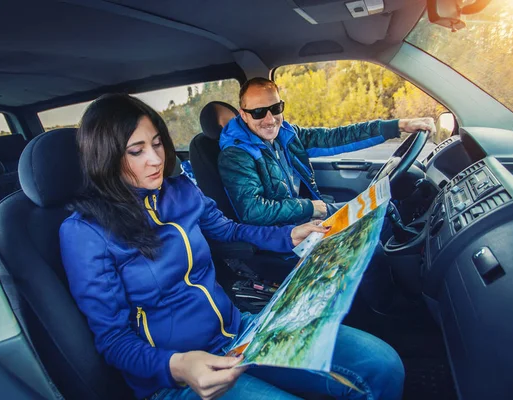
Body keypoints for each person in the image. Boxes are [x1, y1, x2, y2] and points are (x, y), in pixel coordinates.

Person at [59, 93, 405, 400]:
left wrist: (288, 235)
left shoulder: (180, 190)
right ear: (105, 157)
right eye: (136, 151)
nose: (155, 159)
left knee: (382, 364)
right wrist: (177, 366)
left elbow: (228, 229)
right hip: (174, 375)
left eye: (157, 143)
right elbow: (113, 340)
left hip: (238, 332)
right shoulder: (85, 232)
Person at [218, 77, 436, 227]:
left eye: (275, 109)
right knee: (378, 222)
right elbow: (253, 211)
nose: (269, 119)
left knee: (381, 210)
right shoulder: (235, 155)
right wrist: (309, 208)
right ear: (243, 115)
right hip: (284, 232)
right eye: (257, 112)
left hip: (303, 215)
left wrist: (398, 125)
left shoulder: (286, 133)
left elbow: (336, 137)